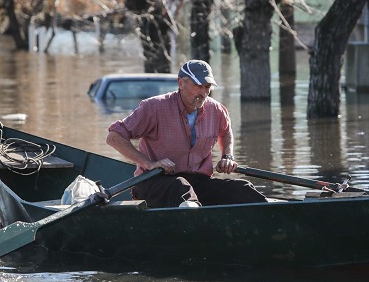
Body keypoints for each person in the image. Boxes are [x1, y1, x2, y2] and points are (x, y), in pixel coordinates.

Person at [106, 59, 267, 208]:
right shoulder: (154, 107)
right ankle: (192, 216)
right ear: (181, 83)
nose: (203, 92)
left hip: (196, 183)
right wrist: (149, 164)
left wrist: (227, 156)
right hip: (152, 182)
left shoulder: (216, 110)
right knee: (180, 187)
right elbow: (114, 137)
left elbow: (225, 132)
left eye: (207, 87)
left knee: (242, 189)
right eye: (198, 86)